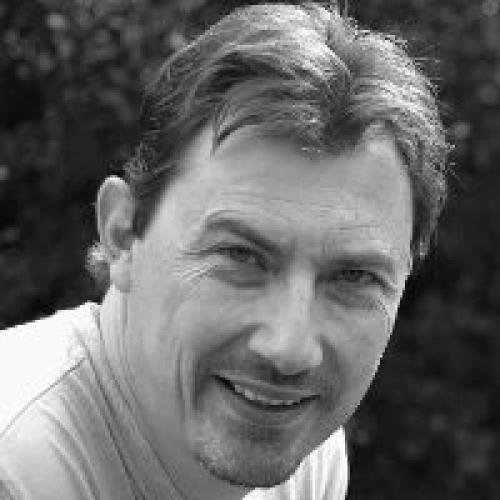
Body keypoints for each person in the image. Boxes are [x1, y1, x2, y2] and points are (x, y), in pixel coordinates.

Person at [0, 2, 449, 499]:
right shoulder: (17, 468)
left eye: (354, 277)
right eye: (241, 256)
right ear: (123, 235)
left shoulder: (305, 451)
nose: (290, 350)